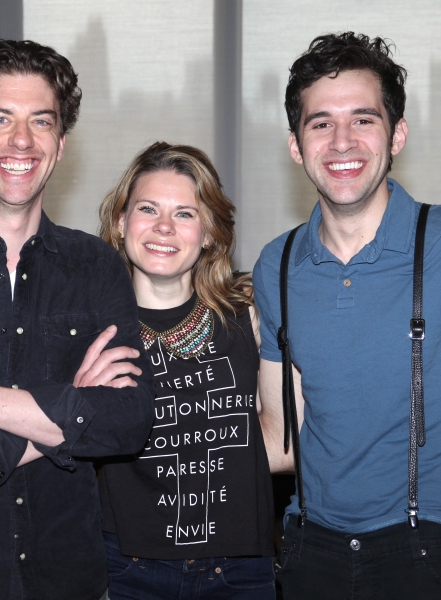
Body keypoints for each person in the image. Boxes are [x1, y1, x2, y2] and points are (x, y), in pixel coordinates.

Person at [0, 40, 154, 600]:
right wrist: (66, 413)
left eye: (40, 122)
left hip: (70, 581)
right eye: (0, 118)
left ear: (60, 144)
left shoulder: (97, 265)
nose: (21, 140)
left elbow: (127, 420)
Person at [254, 32, 441, 599]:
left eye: (363, 119)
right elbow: (280, 438)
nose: (342, 141)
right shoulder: (276, 263)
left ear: (397, 134)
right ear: (296, 144)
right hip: (312, 550)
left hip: (425, 543)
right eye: (320, 123)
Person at [97, 141, 276, 599]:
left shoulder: (252, 315)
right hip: (125, 569)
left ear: (210, 232)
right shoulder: (88, 331)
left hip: (238, 571)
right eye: (147, 208)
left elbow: (286, 442)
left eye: (184, 214)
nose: (163, 227)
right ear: (120, 223)